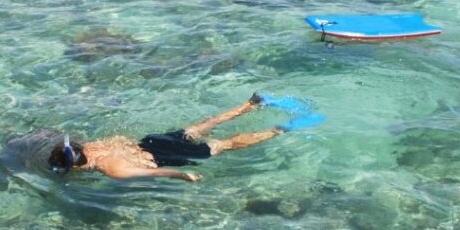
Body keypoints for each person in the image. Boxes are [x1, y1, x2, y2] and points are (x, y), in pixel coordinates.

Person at [47, 94, 283, 183]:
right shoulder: (90, 146)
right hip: (152, 141)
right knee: (199, 127)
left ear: (74, 168)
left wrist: (184, 175)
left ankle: (278, 130)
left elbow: (156, 172)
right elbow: (122, 138)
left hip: (162, 156)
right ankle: (250, 104)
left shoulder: (112, 169)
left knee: (224, 144)